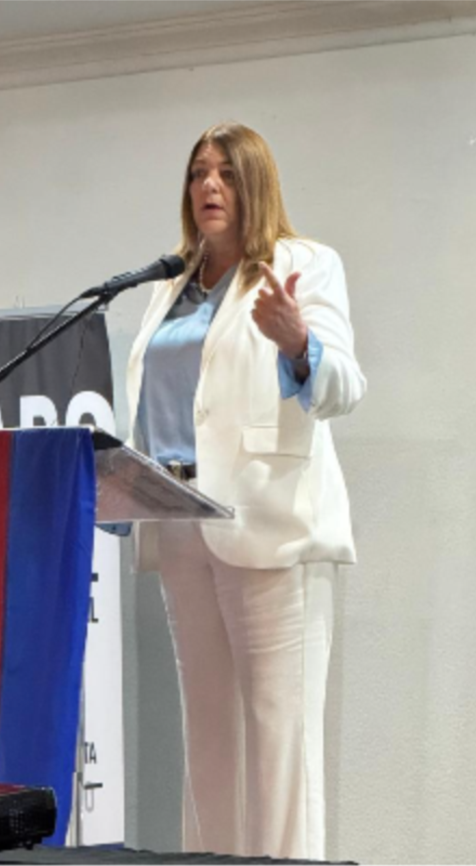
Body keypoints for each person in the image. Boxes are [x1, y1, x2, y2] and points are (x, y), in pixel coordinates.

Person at [125, 121, 365, 860]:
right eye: (198, 173)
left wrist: (300, 344)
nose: (208, 187)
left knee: (278, 739)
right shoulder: (168, 287)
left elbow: (345, 388)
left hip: (269, 526)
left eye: (225, 173)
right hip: (180, 523)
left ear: (254, 183)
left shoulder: (302, 264)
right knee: (209, 737)